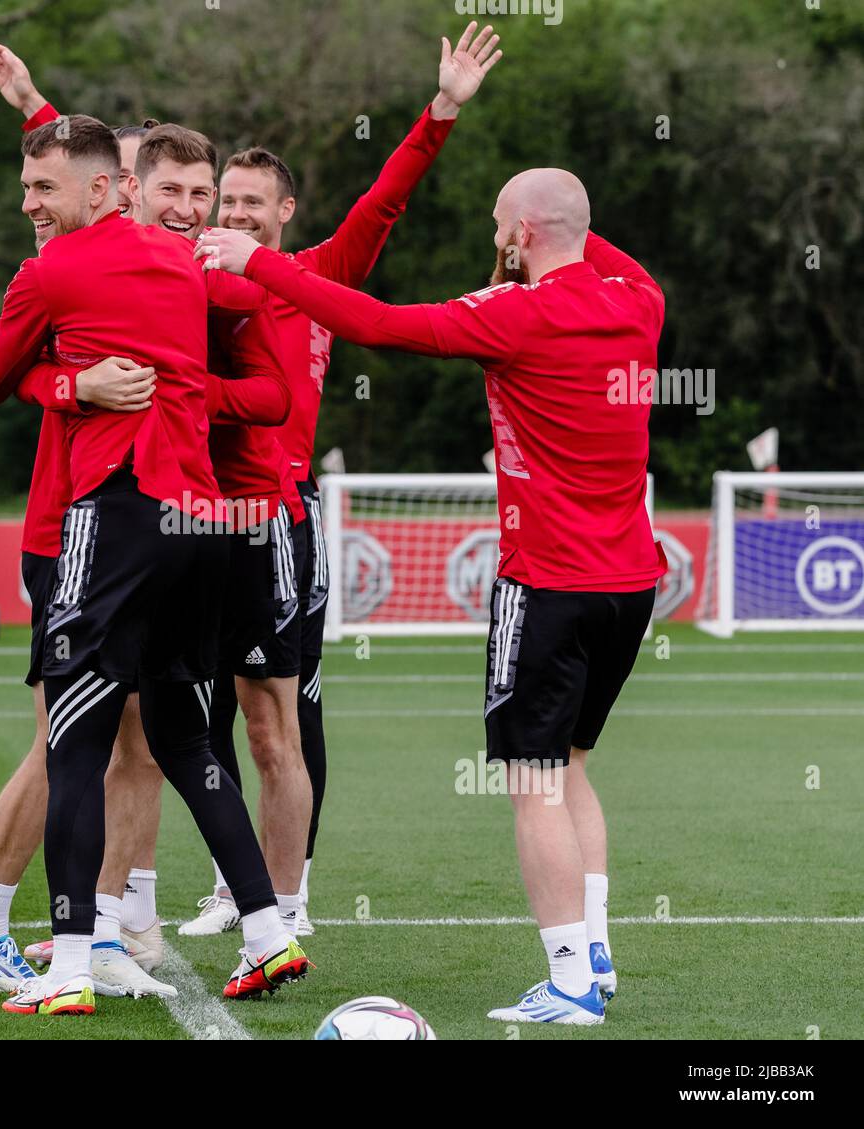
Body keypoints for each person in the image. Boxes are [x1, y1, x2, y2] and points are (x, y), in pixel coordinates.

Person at [199, 162, 667, 1025]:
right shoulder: (640, 299)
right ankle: (593, 955)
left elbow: (371, 322)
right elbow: (579, 232)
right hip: (633, 583)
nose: (496, 234)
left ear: (521, 234)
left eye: (501, 222)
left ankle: (567, 983)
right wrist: (551, 224)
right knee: (570, 770)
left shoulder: (513, 314)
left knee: (531, 782)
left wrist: (257, 262)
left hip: (548, 582)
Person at [0, 114, 309, 1016]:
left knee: (74, 746)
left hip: (114, 514)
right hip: (202, 523)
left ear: (98, 189)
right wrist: (107, 381)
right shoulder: (195, 265)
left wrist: (62, 381)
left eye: (42, 188)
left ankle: (73, 963)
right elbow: (271, 371)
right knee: (185, 738)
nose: (31, 203)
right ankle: (271, 932)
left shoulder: (51, 272)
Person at [182, 17, 502, 939]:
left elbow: (385, 200)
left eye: (250, 203)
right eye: (223, 202)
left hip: (277, 522)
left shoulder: (318, 271)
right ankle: (230, 884)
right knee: (194, 709)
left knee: (283, 712)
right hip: (189, 520)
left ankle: (290, 897)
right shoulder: (181, 277)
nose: (231, 215)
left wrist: (440, 110)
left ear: (284, 212)